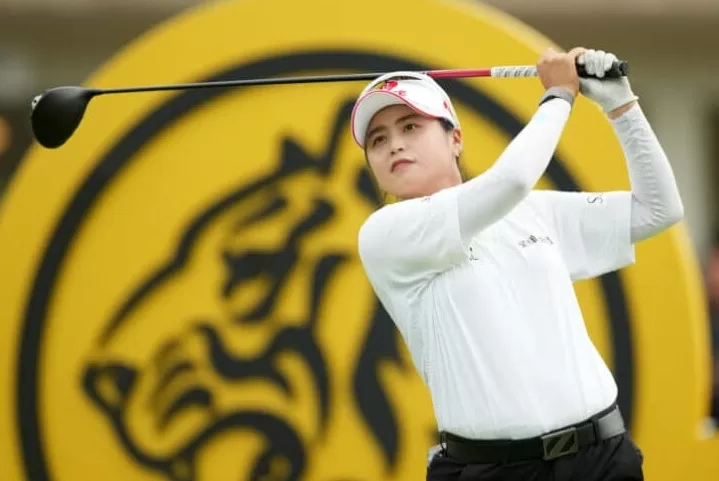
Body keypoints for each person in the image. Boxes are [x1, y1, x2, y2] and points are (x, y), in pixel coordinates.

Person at [351, 47, 684, 481]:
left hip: (601, 459)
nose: (394, 143)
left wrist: (621, 106)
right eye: (377, 140)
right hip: (491, 470)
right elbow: (511, 180)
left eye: (410, 126)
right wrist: (559, 95)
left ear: (455, 139)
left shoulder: (531, 211)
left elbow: (658, 210)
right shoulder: (384, 234)